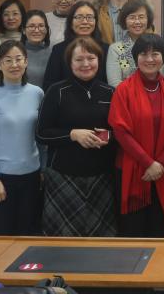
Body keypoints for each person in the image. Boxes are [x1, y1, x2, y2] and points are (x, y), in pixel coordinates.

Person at [36, 37, 117, 237]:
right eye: (79, 59)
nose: (86, 64)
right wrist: (72, 134)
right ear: (69, 63)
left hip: (102, 177)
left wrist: (107, 136)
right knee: (63, 241)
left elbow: (120, 132)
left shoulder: (110, 92)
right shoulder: (56, 91)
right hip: (63, 175)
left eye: (91, 58)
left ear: (99, 60)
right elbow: (41, 133)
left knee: (101, 239)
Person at [108, 34, 164, 237]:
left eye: (155, 54)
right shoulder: (123, 90)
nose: (150, 59)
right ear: (136, 57)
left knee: (160, 231)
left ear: (163, 58)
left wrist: (160, 164)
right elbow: (121, 131)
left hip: (163, 171)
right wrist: (148, 163)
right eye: (143, 54)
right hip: (133, 172)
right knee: (132, 233)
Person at [0, 40, 44, 235]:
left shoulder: (37, 93)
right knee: (2, 234)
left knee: (29, 233)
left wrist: (42, 169)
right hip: (1, 178)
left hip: (32, 175)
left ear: (26, 62)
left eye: (18, 59)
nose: (14, 65)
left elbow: (41, 137)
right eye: (8, 60)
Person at [43, 0, 106, 90]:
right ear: (70, 22)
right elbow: (50, 84)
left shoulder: (106, 49)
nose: (85, 22)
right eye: (79, 17)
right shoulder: (59, 49)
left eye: (89, 17)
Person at [106, 0, 155, 87]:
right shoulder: (117, 49)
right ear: (124, 20)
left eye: (141, 17)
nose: (137, 22)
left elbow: (162, 77)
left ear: (148, 20)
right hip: (126, 95)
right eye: (132, 17)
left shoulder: (156, 46)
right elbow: (114, 84)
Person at [22, 8, 52, 88]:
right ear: (23, 30)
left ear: (46, 29)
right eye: (31, 26)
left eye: (41, 26)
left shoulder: (53, 52)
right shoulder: (16, 52)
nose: (36, 30)